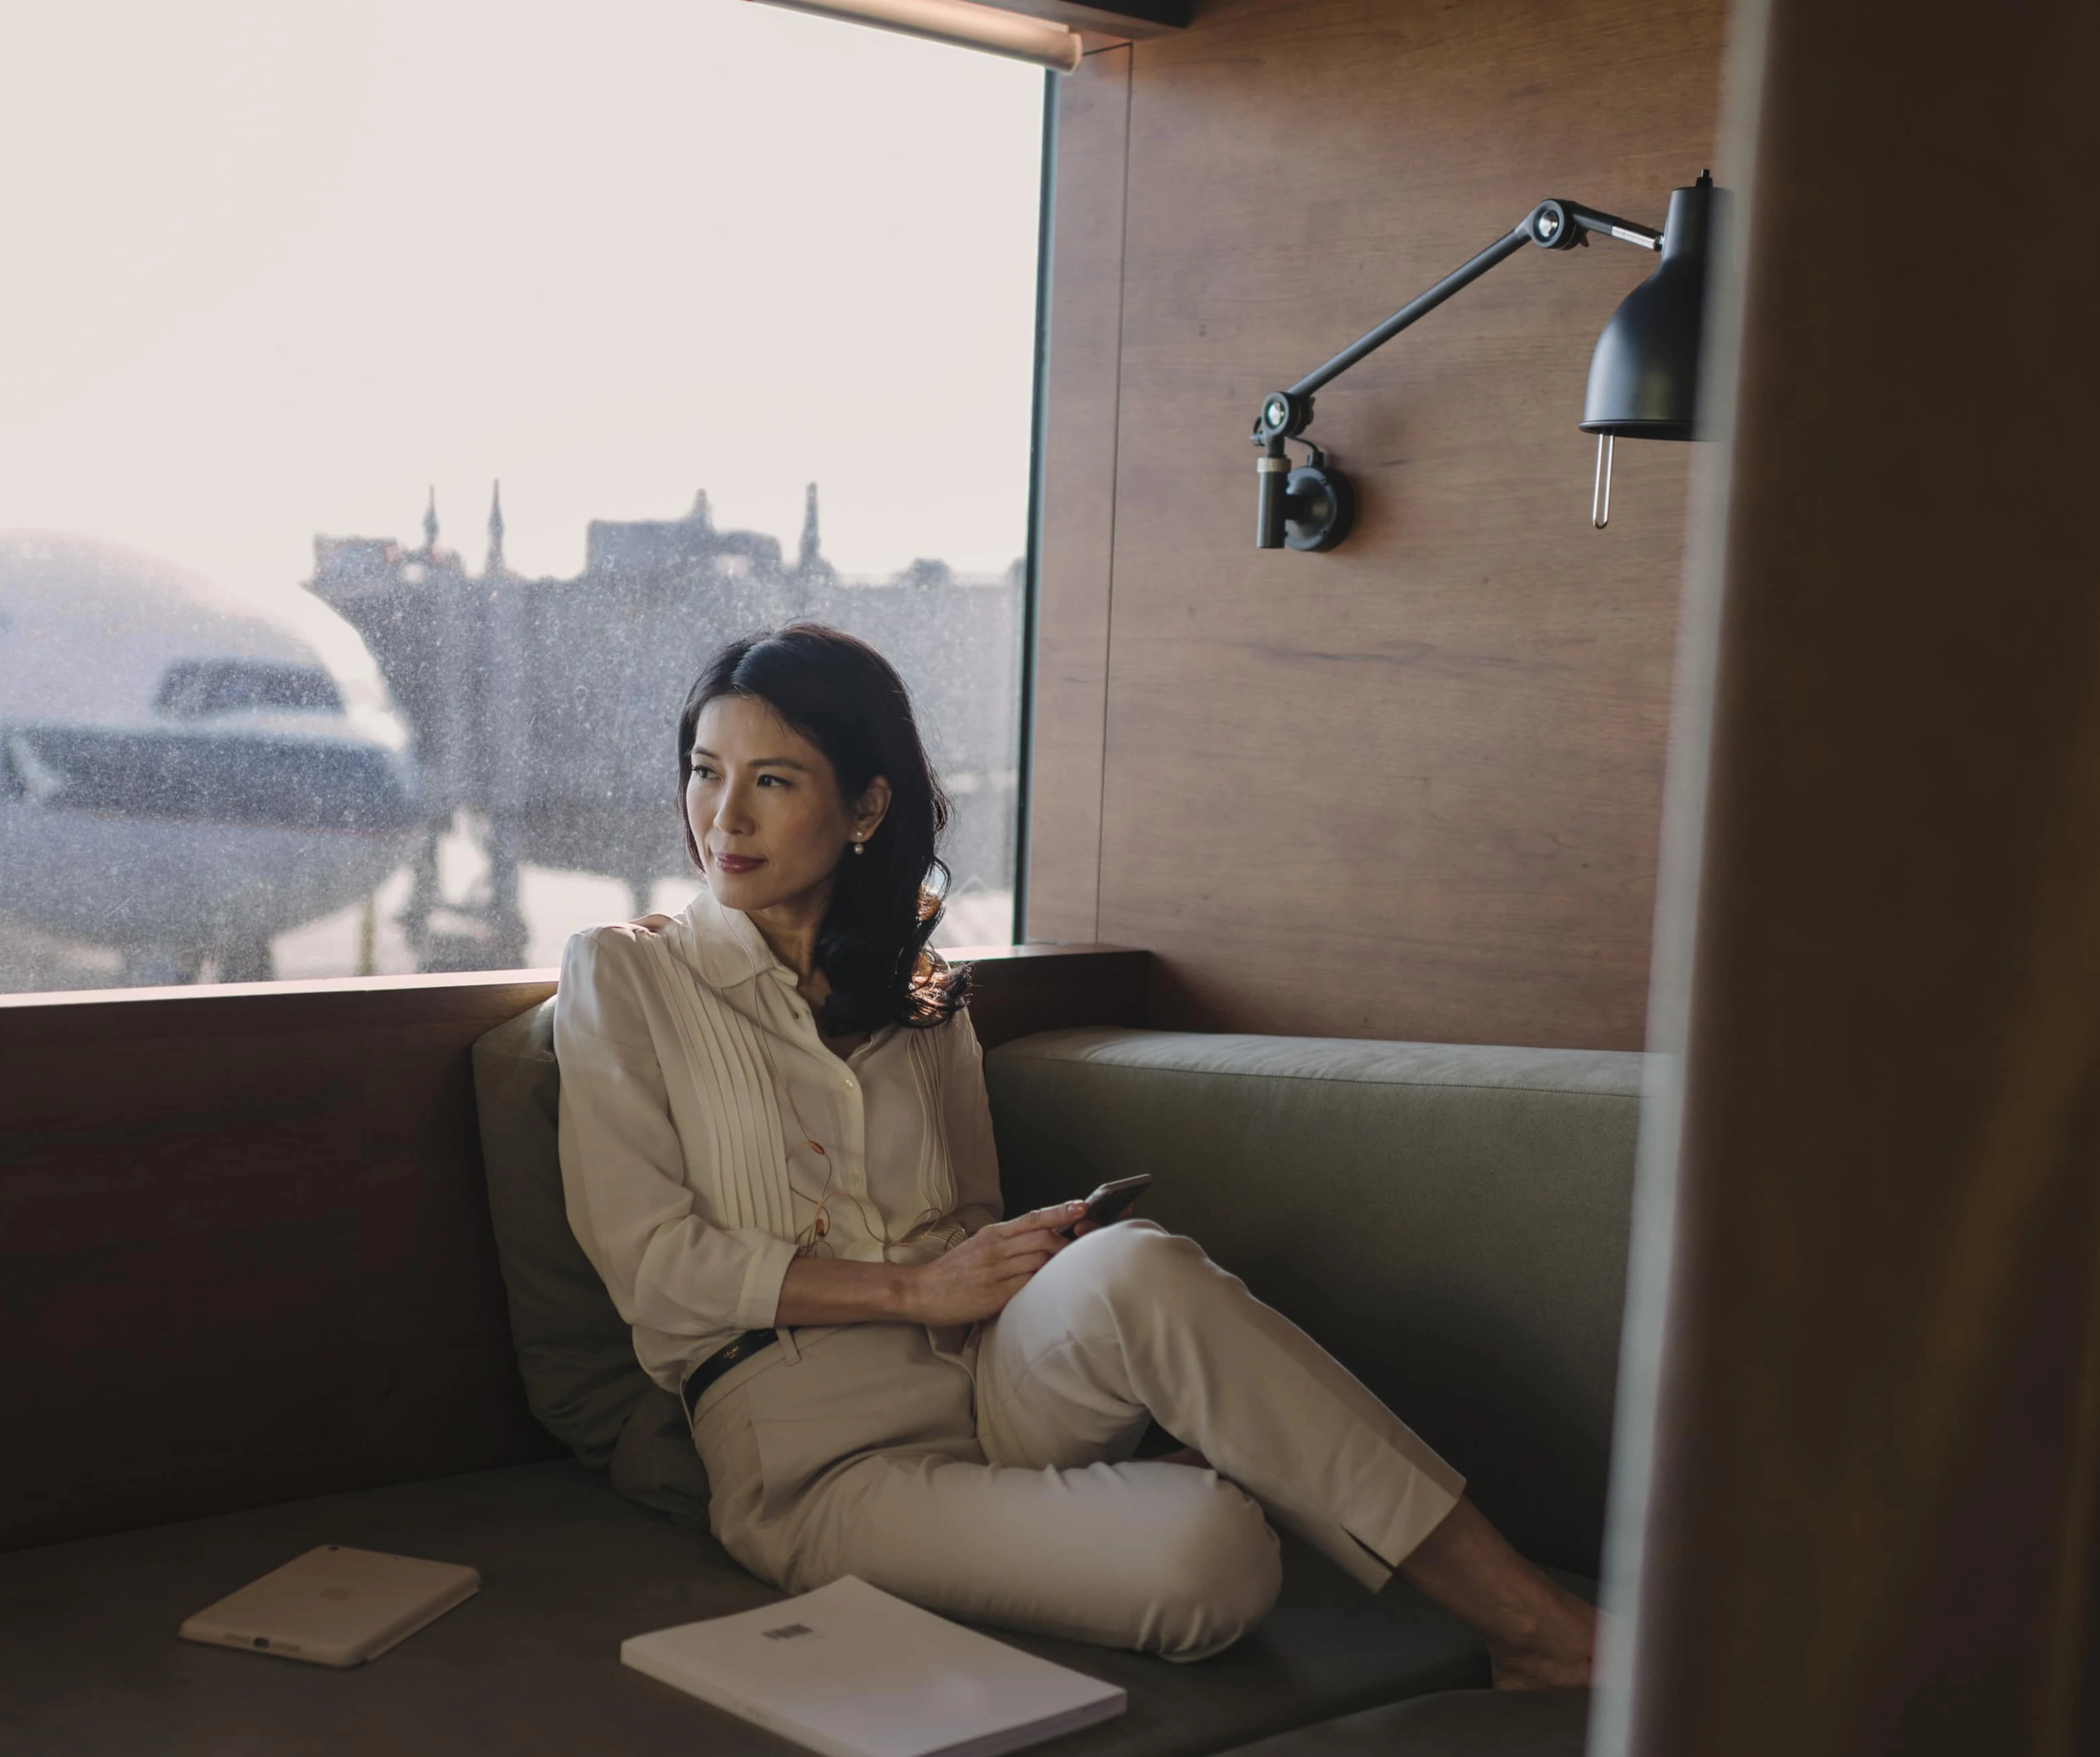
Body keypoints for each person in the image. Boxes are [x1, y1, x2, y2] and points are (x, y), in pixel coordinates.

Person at [554, 623, 1597, 1680]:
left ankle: (1534, 1626)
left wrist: (1010, 1258)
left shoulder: (924, 993)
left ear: (866, 807)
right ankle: (1195, 1475)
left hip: (994, 1382)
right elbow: (652, 1264)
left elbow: (967, 1217)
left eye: (769, 779)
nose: (721, 816)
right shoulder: (626, 978)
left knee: (1135, 1258)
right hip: (818, 1458)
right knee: (1217, 1555)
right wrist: (918, 1289)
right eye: (703, 771)